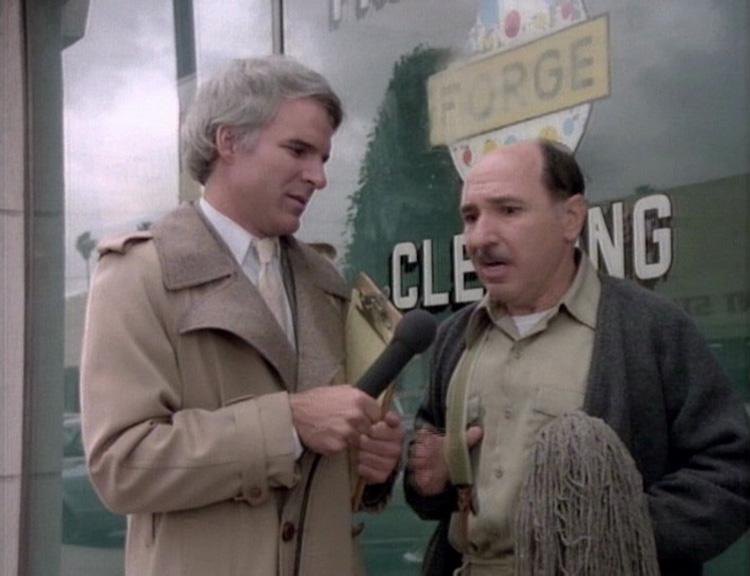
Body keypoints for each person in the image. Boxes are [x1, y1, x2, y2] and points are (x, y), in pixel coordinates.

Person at [80, 56, 405, 576]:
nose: (319, 177)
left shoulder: (327, 282)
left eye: (323, 157)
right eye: (298, 150)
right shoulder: (140, 274)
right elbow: (122, 466)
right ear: (228, 142)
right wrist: (289, 422)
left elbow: (334, 466)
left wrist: (374, 462)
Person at [404, 139, 750, 576]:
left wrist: (618, 532)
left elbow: (731, 469)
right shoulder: (455, 337)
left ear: (570, 218)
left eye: (508, 210)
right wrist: (427, 481)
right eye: (471, 217)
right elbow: (430, 480)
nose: (481, 237)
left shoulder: (649, 328)